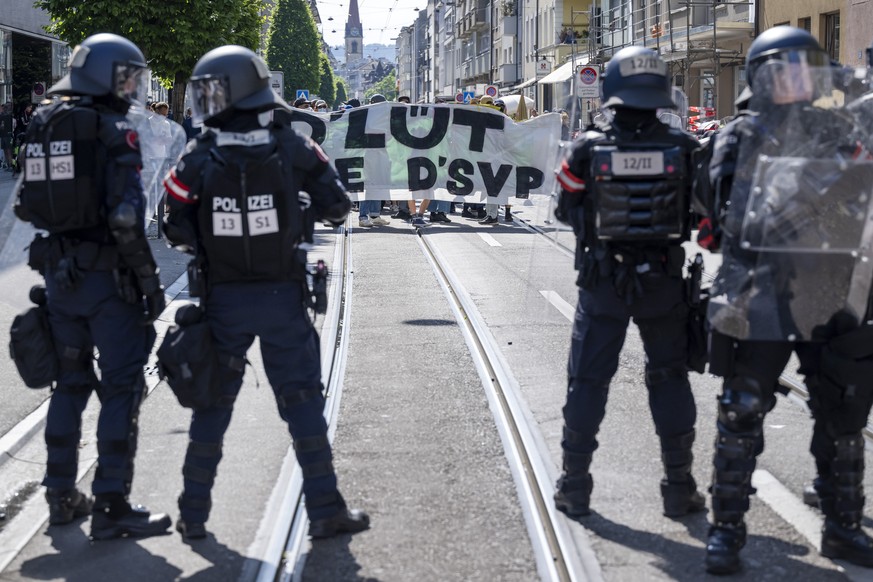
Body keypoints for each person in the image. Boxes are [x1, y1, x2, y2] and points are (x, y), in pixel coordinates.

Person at [162, 45, 369, 540]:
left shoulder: (200, 152)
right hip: (282, 297)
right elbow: (339, 206)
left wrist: (214, 242)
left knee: (212, 407)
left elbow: (173, 225)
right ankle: (325, 511)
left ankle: (192, 516)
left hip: (222, 302)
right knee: (302, 406)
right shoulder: (294, 146)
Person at [696, 26, 873, 575]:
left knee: (844, 415)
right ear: (761, 77)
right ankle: (726, 531)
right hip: (760, 291)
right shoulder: (739, 135)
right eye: (785, 68)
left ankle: (842, 528)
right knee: (742, 412)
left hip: (832, 291)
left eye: (807, 68)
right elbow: (716, 213)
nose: (797, 79)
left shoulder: (841, 129)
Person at [13, 33, 170, 539]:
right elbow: (126, 216)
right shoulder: (112, 129)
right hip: (107, 279)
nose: (132, 86)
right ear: (108, 77)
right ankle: (111, 505)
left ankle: (61, 495)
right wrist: (149, 282)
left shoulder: (43, 122)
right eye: (127, 76)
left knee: (71, 382)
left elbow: (24, 204)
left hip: (59, 276)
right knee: (122, 387)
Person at [552, 46, 704, 522]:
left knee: (589, 382)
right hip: (662, 279)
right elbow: (702, 214)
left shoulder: (586, 148)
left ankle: (574, 487)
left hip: (602, 280)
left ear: (612, 87)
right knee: (669, 378)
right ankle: (678, 489)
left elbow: (563, 210)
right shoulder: (684, 149)